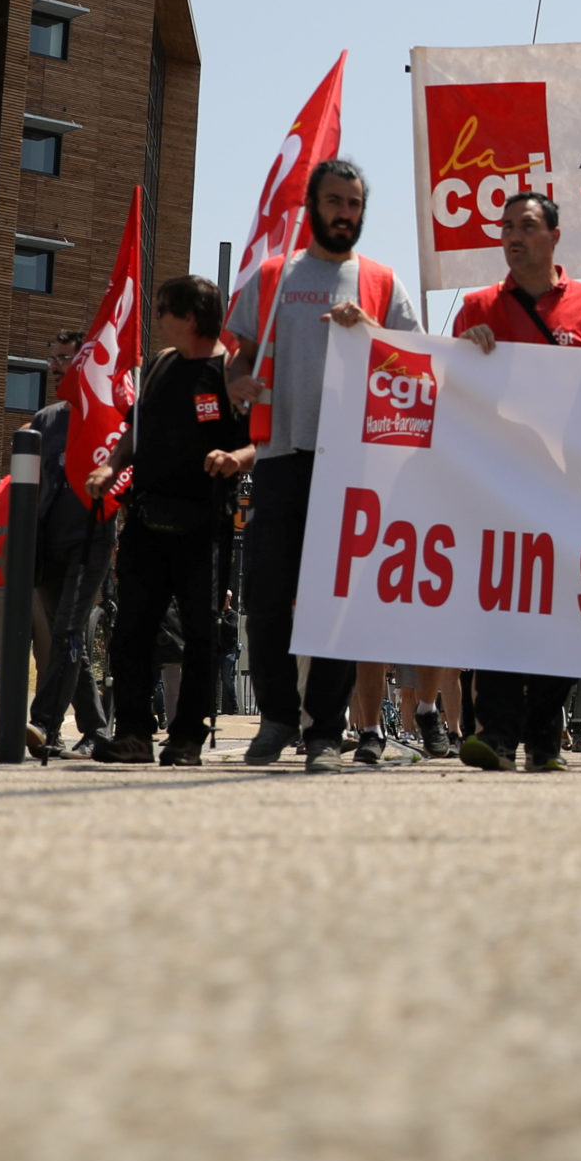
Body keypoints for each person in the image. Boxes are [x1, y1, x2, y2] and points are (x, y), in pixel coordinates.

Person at [225, 158, 423, 773]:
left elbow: (417, 368)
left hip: (352, 465)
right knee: (266, 596)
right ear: (312, 205)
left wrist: (369, 330)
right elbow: (240, 359)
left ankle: (324, 734)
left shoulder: (384, 283)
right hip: (281, 456)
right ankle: (279, 718)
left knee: (336, 601)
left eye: (354, 204)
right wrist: (237, 385)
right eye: (335, 201)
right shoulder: (273, 276)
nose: (345, 213)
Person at [450, 190, 581, 771]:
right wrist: (462, 354)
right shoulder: (476, 306)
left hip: (567, 486)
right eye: (506, 227)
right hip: (497, 484)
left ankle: (545, 735)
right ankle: (496, 733)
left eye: (527, 226)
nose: (514, 236)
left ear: (554, 236)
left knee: (561, 610)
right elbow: (453, 392)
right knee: (497, 608)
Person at [87, 275, 255, 765]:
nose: (156, 317)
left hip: (204, 525)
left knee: (202, 635)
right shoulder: (160, 365)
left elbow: (259, 441)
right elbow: (133, 430)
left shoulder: (229, 371)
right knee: (131, 630)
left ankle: (187, 739)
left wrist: (235, 458)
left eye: (162, 309)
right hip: (147, 520)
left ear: (190, 316)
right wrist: (111, 465)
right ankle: (134, 734)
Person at [19, 330, 116, 759]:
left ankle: (43, 723)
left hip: (90, 540)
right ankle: (95, 727)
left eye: (66, 357)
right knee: (66, 640)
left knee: (68, 632)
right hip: (47, 546)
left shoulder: (108, 416)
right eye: (53, 358)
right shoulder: (44, 420)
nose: (57, 365)